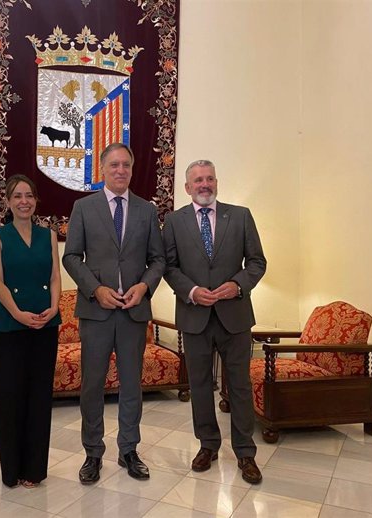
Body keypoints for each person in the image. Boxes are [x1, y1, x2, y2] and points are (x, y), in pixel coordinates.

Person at [62, 143, 165, 485]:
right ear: (102, 169)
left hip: (134, 313)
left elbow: (158, 260)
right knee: (92, 385)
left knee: (132, 385)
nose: (121, 170)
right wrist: (96, 289)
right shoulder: (83, 207)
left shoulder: (147, 211)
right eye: (114, 165)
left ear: (132, 170)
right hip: (96, 312)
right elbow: (72, 257)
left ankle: (128, 450)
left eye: (126, 165)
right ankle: (93, 453)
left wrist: (144, 287)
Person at [162, 159, 266, 484]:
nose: (204, 185)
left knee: (239, 385)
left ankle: (245, 452)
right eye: (197, 180)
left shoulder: (240, 216)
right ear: (187, 187)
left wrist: (237, 285)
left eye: (209, 179)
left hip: (234, 315)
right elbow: (168, 266)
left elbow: (257, 262)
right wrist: (191, 291)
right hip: (194, 316)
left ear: (217, 182)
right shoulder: (174, 221)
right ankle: (207, 445)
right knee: (200, 385)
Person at [0, 174, 62, 488]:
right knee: (9, 398)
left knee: (38, 398)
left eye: (29, 196)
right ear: (8, 201)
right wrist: (17, 312)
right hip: (11, 325)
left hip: (45, 324)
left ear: (35, 200)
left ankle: (34, 471)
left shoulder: (49, 236)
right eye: (17, 196)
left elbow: (56, 276)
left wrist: (56, 307)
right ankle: (11, 471)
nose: (24, 201)